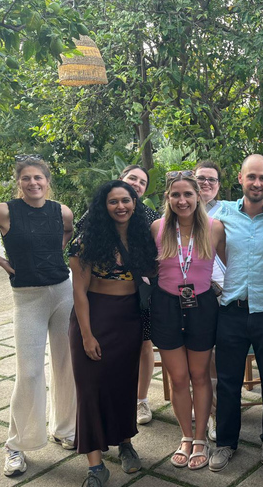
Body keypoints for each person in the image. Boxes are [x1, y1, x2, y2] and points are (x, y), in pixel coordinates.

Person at [0, 155, 77, 478]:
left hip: (62, 291)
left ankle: (65, 429)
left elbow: (68, 230)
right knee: (29, 373)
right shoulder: (4, 211)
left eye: (38, 177)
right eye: (26, 178)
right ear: (19, 182)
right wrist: (2, 261)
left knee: (66, 364)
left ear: (47, 181)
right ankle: (16, 445)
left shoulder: (61, 211)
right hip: (28, 297)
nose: (33, 183)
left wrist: (58, 251)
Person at [68, 180, 158, 486]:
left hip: (129, 318)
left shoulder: (143, 237)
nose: (121, 206)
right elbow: (79, 292)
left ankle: (125, 444)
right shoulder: (86, 241)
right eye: (113, 201)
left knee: (123, 385)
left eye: (126, 200)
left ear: (135, 203)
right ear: (103, 207)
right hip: (94, 317)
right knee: (90, 389)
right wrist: (86, 335)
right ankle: (95, 466)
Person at [208, 154, 263, 472]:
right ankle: (226, 442)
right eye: (251, 177)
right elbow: (199, 241)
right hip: (232, 309)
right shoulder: (223, 212)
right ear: (240, 179)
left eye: (262, 178)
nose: (256, 183)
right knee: (227, 381)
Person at [150, 171, 226, 470]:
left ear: (198, 196)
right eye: (176, 195)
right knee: (178, 379)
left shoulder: (214, 228)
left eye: (188, 195)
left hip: (202, 305)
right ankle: (185, 436)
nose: (182, 201)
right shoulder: (157, 227)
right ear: (168, 198)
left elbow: (233, 265)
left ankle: (200, 438)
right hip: (166, 306)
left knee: (199, 376)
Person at [75, 164, 161, 426]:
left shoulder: (150, 217)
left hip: (139, 294)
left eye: (142, 182)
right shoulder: (100, 213)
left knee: (144, 346)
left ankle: (141, 399)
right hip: (104, 298)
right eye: (132, 178)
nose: (136, 184)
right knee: (105, 356)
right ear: (121, 179)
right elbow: (79, 241)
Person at [194, 159, 225, 442]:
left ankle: (214, 413)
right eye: (201, 178)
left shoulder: (228, 212)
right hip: (187, 292)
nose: (206, 184)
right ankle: (200, 406)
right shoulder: (180, 212)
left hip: (221, 291)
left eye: (211, 180)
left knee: (215, 356)